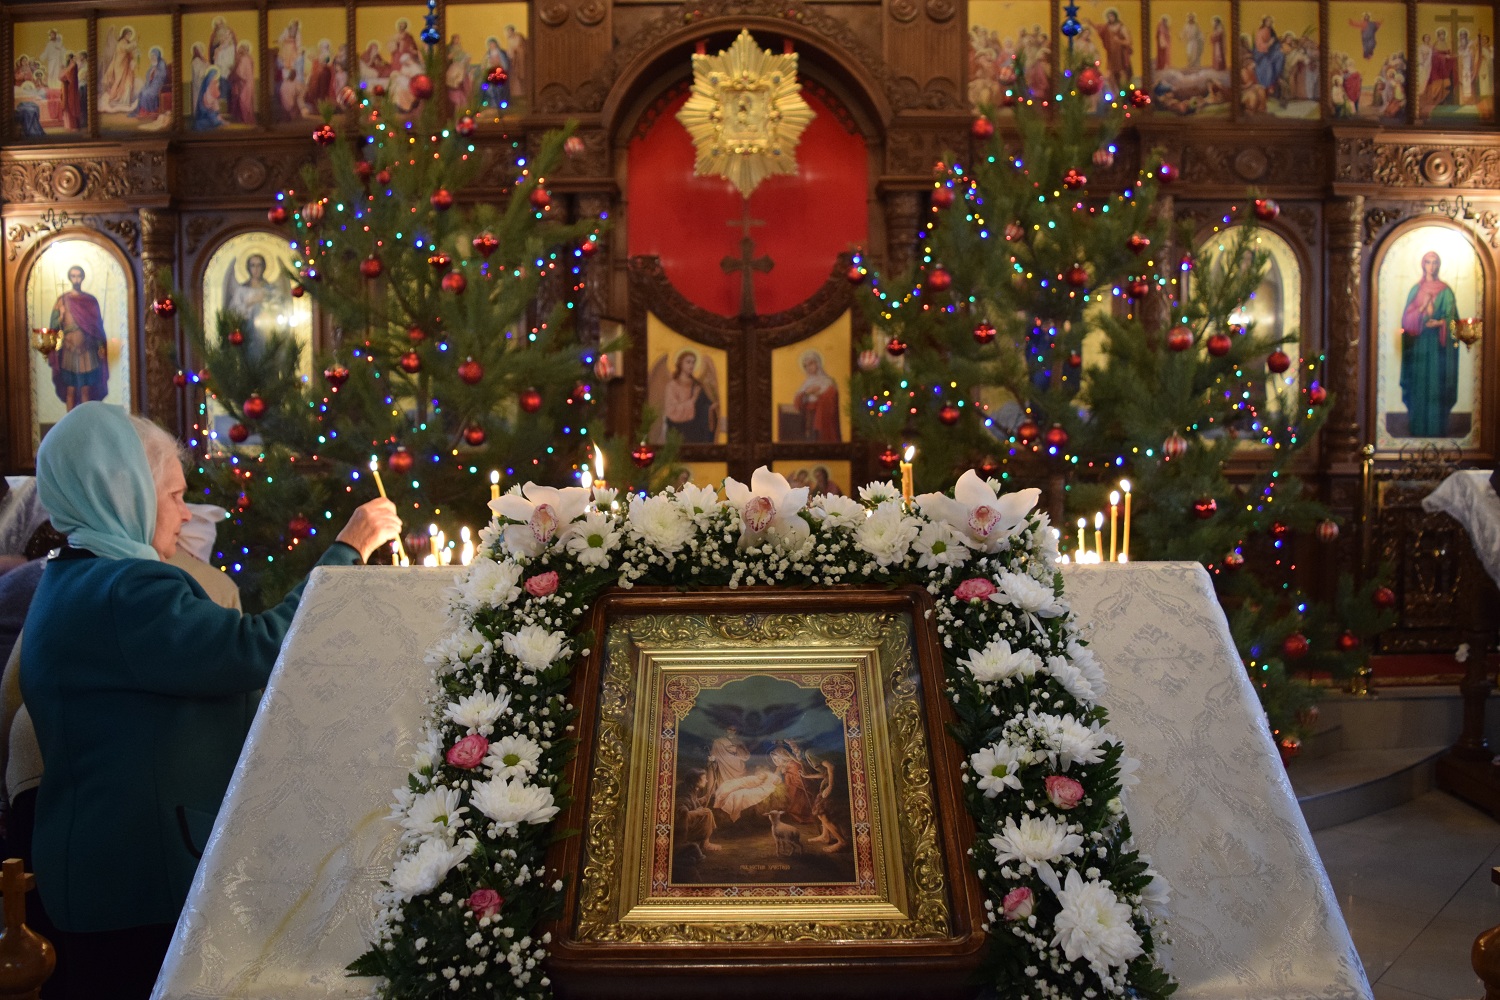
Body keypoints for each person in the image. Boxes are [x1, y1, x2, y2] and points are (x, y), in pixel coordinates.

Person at [20, 402, 401, 1000]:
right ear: (124, 493)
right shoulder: (125, 590)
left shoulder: (76, 577)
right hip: (136, 875)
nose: (184, 512)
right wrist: (347, 551)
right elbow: (254, 649)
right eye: (174, 496)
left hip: (103, 865)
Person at [1399, 250, 1463, 437]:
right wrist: (1421, 308)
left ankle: (1437, 429)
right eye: (1428, 262)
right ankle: (1417, 428)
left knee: (1437, 386)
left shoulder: (1446, 291)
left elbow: (1454, 321)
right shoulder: (1416, 290)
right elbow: (1406, 321)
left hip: (1438, 348)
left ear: (1439, 265)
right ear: (1423, 265)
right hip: (1418, 348)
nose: (1431, 266)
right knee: (1418, 386)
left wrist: (1441, 323)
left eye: (1435, 262)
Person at [47, 265, 110, 410]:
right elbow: (53, 327)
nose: (76, 279)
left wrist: (101, 346)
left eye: (79, 276)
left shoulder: (90, 301)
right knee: (71, 390)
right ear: (70, 278)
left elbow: (97, 327)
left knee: (86, 391)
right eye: (73, 276)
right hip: (69, 350)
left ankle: (85, 421)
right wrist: (61, 315)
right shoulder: (62, 300)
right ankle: (71, 421)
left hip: (87, 349)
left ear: (83, 278)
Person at [662, 350, 717, 442]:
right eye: (688, 362)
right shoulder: (672, 386)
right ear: (680, 364)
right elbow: (671, 411)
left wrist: (710, 408)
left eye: (693, 362)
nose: (691, 365)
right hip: (678, 430)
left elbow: (705, 405)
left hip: (697, 431)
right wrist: (693, 400)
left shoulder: (697, 385)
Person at [792, 350, 840, 442]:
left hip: (821, 417)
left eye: (811, 364)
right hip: (808, 417)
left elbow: (831, 400)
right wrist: (806, 392)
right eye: (805, 366)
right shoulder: (807, 382)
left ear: (818, 363)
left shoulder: (828, 381)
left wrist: (817, 394)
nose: (808, 368)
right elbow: (797, 401)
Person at [132, 46, 168, 120]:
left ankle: (150, 111)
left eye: (154, 56)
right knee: (141, 92)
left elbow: (163, 75)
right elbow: (148, 74)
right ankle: (143, 111)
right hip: (151, 84)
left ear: (158, 56)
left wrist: (156, 71)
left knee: (146, 93)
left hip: (158, 85)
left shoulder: (162, 63)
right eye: (151, 56)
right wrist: (151, 72)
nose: (152, 58)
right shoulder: (153, 64)